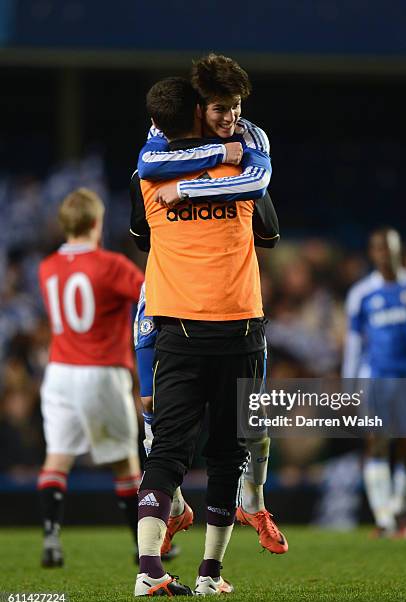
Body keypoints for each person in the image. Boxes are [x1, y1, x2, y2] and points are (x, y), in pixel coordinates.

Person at [130, 53, 286, 559]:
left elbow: (259, 187)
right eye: (220, 108)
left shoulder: (252, 138)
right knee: (156, 423)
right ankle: (174, 511)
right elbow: (150, 166)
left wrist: (191, 189)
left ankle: (254, 502)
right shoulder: (155, 157)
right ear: (199, 109)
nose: (230, 118)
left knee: (249, 423)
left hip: (235, 307)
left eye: (236, 107)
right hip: (175, 302)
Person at [37, 188, 144, 567]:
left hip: (60, 372)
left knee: (57, 459)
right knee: (125, 463)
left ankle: (51, 537)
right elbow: (149, 295)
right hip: (101, 370)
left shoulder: (47, 266)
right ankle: (142, 547)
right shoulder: (110, 264)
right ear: (97, 223)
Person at [342, 227, 406, 538]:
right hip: (375, 376)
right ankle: (384, 518)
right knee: (377, 441)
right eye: (378, 248)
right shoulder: (361, 294)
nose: (384, 254)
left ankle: (398, 506)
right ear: (372, 253)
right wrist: (349, 386)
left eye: (389, 247)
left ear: (399, 250)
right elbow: (353, 343)